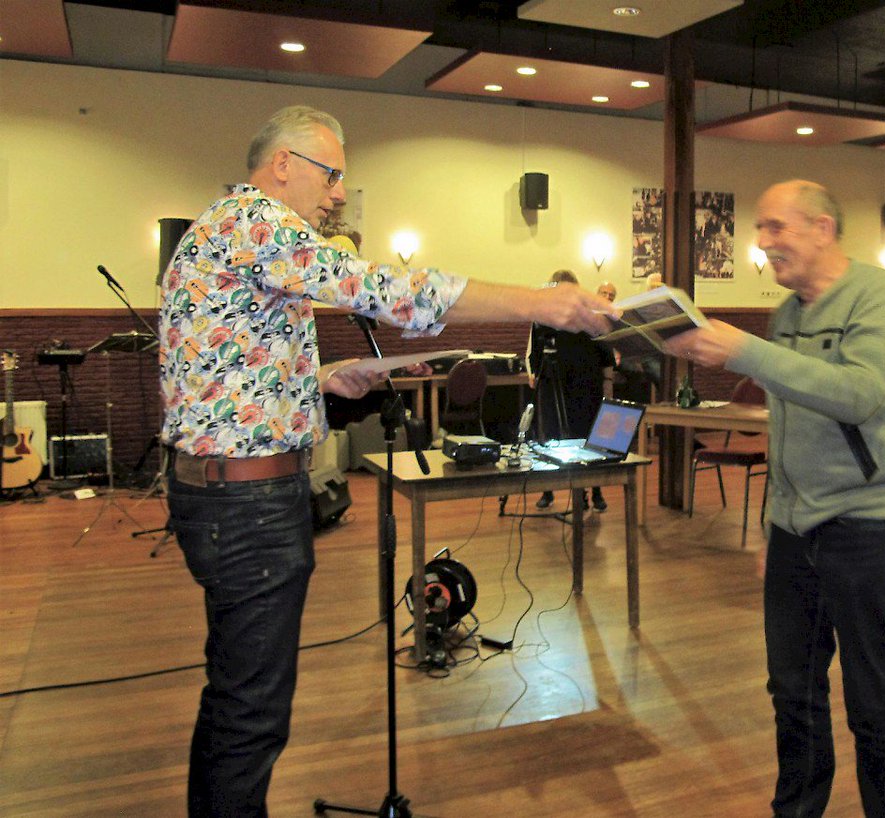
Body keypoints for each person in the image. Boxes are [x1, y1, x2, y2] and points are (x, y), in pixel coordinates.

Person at [159, 106, 617, 818]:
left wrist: (320, 377)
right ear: (283, 165)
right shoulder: (260, 221)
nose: (339, 193)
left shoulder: (219, 227)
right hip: (246, 510)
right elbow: (393, 291)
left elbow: (215, 374)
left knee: (235, 696)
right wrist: (543, 303)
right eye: (331, 173)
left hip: (220, 497)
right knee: (251, 713)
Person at [664, 180, 885, 818]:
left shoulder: (879, 296)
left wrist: (746, 351)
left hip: (867, 528)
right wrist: (777, 525)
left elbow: (859, 395)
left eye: (776, 227)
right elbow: (789, 429)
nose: (763, 242)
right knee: (793, 697)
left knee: (872, 706)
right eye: (761, 228)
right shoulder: (789, 314)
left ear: (822, 228)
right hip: (794, 535)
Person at [525, 270, 617, 511]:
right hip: (553, 383)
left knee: (589, 441)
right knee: (549, 438)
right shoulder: (543, 316)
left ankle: (593, 492)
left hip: (586, 385)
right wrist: (534, 372)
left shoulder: (591, 315)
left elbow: (605, 353)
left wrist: (607, 384)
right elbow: (534, 350)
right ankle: (548, 491)